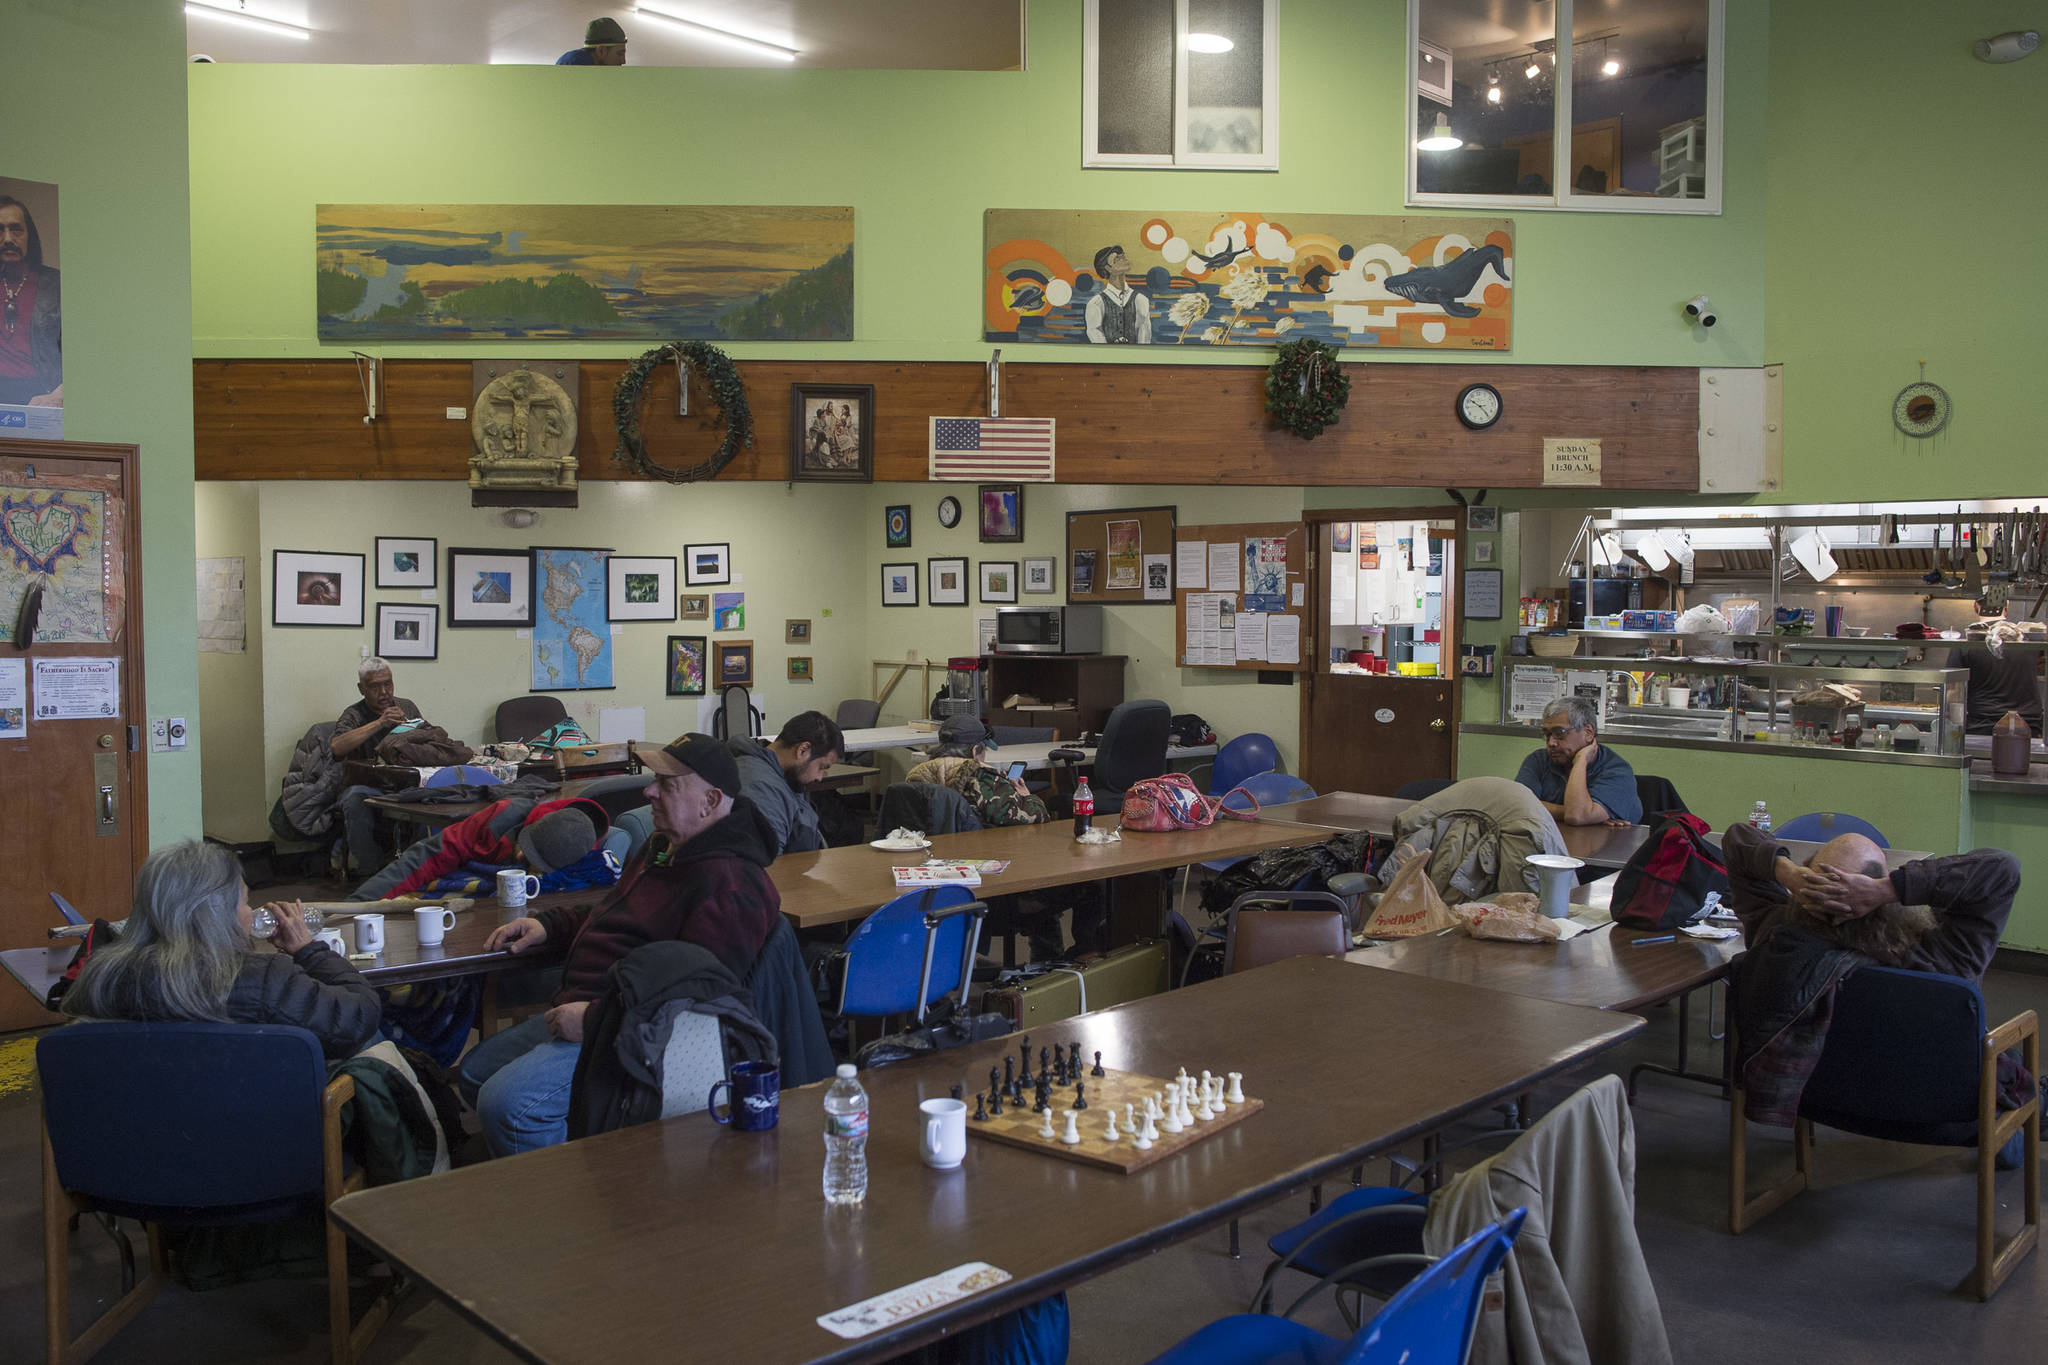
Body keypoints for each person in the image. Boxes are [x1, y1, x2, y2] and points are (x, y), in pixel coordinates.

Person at [457, 736, 783, 1156]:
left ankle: (586, 1190)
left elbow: (697, 1005)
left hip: (626, 1030)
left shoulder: (731, 885)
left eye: (667, 784)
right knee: (474, 1073)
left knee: (509, 1106)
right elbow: (615, 912)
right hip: (594, 1006)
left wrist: (595, 1021)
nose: (649, 792)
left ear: (710, 800)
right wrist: (548, 926)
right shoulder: (666, 846)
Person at [1723, 821, 2021, 1126]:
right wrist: (1888, 889)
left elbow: (1737, 837)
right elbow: (2002, 868)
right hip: (1942, 1117)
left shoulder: (1772, 933)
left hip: (1819, 1103)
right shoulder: (1944, 961)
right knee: (2016, 1076)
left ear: (1805, 874)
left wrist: (1787, 872)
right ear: (1882, 901)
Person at [61, 841, 380, 1060]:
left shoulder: (101, 976)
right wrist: (309, 951)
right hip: (254, 1131)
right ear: (217, 913)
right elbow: (359, 1018)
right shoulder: (263, 980)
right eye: (244, 901)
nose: (250, 912)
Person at [349, 795, 611, 902]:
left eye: (534, 860)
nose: (521, 856)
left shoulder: (588, 862)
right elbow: (425, 857)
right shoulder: (499, 819)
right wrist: (362, 903)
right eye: (525, 846)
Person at [328, 657, 423, 878]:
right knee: (355, 799)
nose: (384, 692)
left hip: (403, 784)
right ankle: (368, 873)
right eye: (375, 687)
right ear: (361, 689)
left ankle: (417, 868)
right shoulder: (353, 714)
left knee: (436, 794)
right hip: (367, 786)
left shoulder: (406, 707)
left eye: (388, 684)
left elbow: (425, 740)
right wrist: (380, 723)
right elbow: (337, 746)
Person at [727, 710, 844, 857]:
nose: (819, 777)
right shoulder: (762, 788)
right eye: (822, 767)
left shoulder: (781, 775)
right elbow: (769, 864)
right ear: (803, 750)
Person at [1513, 696, 1641, 826]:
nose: (1551, 743)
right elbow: (1517, 806)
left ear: (1588, 733)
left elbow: (1576, 816)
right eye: (1547, 734)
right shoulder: (1538, 760)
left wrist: (1581, 761)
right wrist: (1580, 812)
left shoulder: (1617, 770)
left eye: (1559, 733)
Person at [906, 715, 1049, 828]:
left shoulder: (916, 776)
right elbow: (1037, 817)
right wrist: (1027, 797)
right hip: (975, 850)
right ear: (975, 751)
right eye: (984, 751)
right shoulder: (983, 779)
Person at [0, 194, 62, 407]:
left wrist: (59, 396)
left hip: (42, 396)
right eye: (0, 230)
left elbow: (84, 352)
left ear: (30, 236)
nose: (8, 239)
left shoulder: (57, 284)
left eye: (16, 229)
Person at [1949, 639, 2043, 736]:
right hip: (2029, 726)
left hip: (1981, 726)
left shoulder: (1966, 642)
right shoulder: (2032, 639)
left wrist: (1952, 730)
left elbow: (1953, 691)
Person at [1083, 244, 1151, 344]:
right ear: (1108, 268)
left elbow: (1144, 340)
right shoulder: (1096, 303)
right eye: (1117, 259)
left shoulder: (1141, 300)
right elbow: (1096, 338)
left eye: (1123, 255)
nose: (1123, 258)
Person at [556, 16, 627, 65]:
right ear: (601, 51)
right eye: (619, 54)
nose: (623, 61)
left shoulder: (574, 58)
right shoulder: (577, 63)